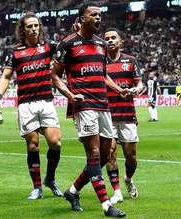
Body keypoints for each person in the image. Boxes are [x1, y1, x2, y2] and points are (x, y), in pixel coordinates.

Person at [51, 2, 126, 217]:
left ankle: (73, 191)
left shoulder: (102, 44)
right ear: (82, 19)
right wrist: (70, 96)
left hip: (103, 104)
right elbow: (55, 76)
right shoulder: (67, 44)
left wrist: (119, 90)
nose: (98, 18)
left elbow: (103, 75)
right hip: (84, 106)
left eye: (100, 15)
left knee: (105, 155)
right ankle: (106, 206)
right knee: (93, 154)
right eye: (93, 15)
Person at [0, 12, 63, 200]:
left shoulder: (49, 47)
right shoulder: (15, 51)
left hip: (46, 101)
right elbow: (6, 76)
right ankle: (37, 187)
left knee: (55, 143)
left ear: (40, 27)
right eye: (29, 26)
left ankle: (50, 179)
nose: (33, 29)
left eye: (36, 25)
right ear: (23, 30)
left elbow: (67, 52)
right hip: (26, 104)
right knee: (33, 146)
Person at [104, 28, 143, 204]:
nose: (110, 41)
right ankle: (117, 190)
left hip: (127, 114)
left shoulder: (131, 61)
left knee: (131, 156)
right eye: (107, 39)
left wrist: (137, 89)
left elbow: (140, 83)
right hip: (107, 114)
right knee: (110, 152)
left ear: (120, 41)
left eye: (113, 38)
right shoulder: (100, 62)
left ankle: (128, 179)